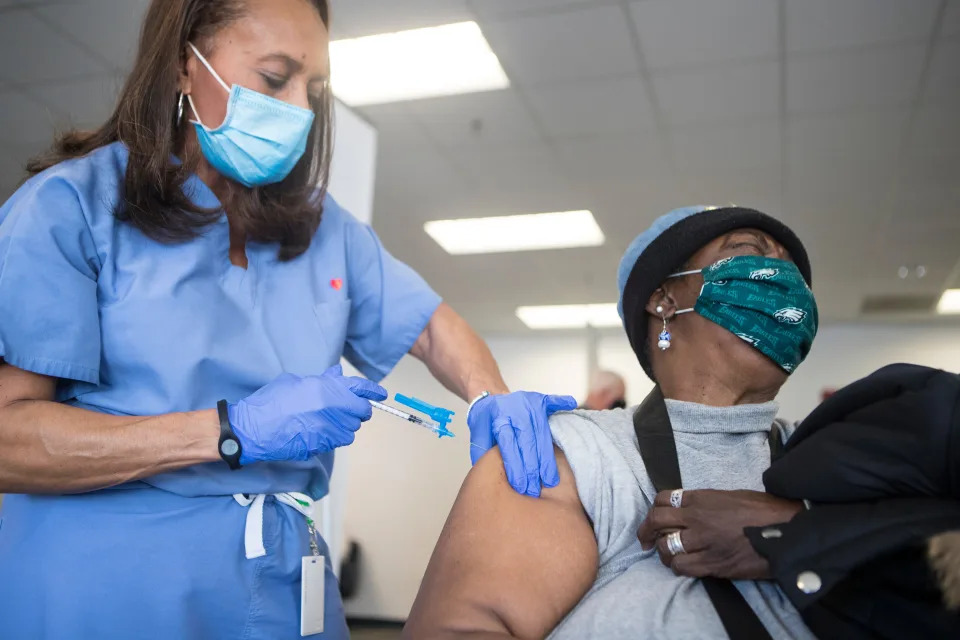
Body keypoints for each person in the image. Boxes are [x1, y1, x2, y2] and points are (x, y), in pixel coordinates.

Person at [0, 1, 575, 638]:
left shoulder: (324, 231)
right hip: (109, 584)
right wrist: (229, 431)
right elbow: (8, 440)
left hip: (285, 577)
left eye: (315, 89)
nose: (300, 109)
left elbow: (432, 326)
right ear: (184, 66)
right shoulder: (70, 208)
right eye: (276, 79)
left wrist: (490, 397)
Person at [405, 205, 821, 639]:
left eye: (791, 269)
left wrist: (801, 533)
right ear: (664, 299)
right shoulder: (574, 456)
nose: (781, 276)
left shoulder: (833, 459)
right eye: (749, 250)